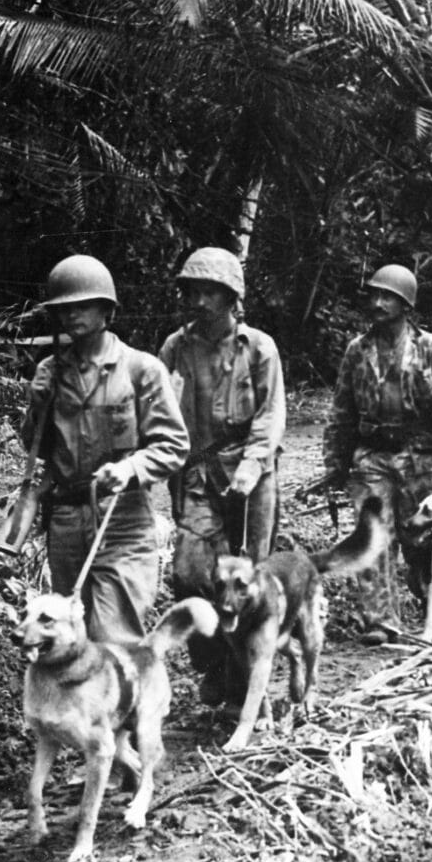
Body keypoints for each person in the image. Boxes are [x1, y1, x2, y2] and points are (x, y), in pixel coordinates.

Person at [23, 254, 190, 644]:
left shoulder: (141, 369)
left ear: (105, 310)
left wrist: (130, 469)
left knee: (114, 634)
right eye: (63, 308)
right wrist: (36, 404)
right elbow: (36, 447)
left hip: (123, 517)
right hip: (65, 517)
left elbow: (172, 444)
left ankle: (125, 705)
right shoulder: (50, 371)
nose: (71, 315)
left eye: (82, 305)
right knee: (70, 637)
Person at [323, 265, 432, 630]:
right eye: (374, 295)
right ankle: (381, 620)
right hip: (371, 457)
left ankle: (422, 586)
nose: (378, 303)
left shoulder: (430, 348)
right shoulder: (358, 350)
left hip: (417, 456)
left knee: (416, 538)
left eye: (387, 296)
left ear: (406, 304)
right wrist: (335, 462)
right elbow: (341, 409)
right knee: (373, 534)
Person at [160, 247, 286, 602]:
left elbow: (271, 415)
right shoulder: (175, 349)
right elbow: (159, 414)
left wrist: (251, 467)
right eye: (193, 291)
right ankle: (211, 655)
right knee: (189, 573)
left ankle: (248, 654)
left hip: (252, 477)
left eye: (210, 291)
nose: (200, 301)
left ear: (232, 297)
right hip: (198, 476)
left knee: (251, 576)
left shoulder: (259, 349)